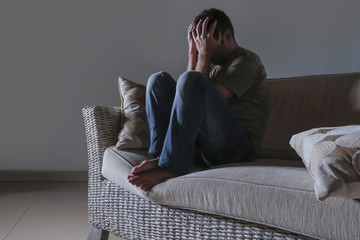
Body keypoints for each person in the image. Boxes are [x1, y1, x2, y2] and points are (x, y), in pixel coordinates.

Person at [128, 8, 267, 191]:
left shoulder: (247, 61)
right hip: (204, 145)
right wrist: (192, 53)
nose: (203, 47)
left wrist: (204, 55)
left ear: (226, 36)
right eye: (199, 42)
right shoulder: (214, 65)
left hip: (235, 149)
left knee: (191, 80)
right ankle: (160, 157)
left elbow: (195, 90)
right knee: (158, 79)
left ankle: (172, 167)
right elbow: (186, 95)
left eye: (206, 41)